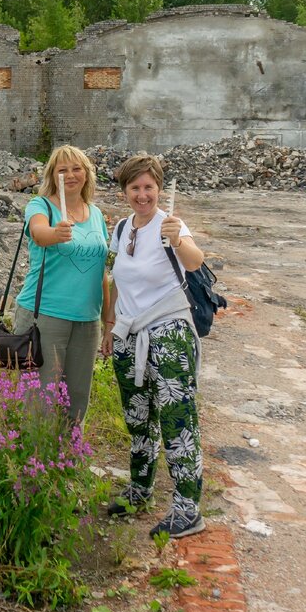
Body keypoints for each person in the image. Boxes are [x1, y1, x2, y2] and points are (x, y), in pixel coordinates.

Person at [100, 153, 207, 538]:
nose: (142, 195)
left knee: (178, 421)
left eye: (149, 187)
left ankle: (187, 508)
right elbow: (113, 278)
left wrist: (179, 240)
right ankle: (140, 490)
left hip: (168, 334)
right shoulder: (122, 227)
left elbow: (195, 262)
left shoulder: (171, 225)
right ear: (125, 191)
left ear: (159, 189)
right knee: (138, 418)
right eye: (135, 188)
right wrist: (109, 326)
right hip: (129, 334)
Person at [12, 145, 110, 424]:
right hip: (45, 316)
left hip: (87, 321)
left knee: (77, 400)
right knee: (40, 404)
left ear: (86, 174)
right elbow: (39, 233)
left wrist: (108, 321)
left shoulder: (96, 214)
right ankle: (35, 463)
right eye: (62, 169)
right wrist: (57, 232)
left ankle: (68, 461)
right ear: (52, 176)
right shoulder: (40, 206)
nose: (70, 175)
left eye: (76, 168)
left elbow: (100, 269)